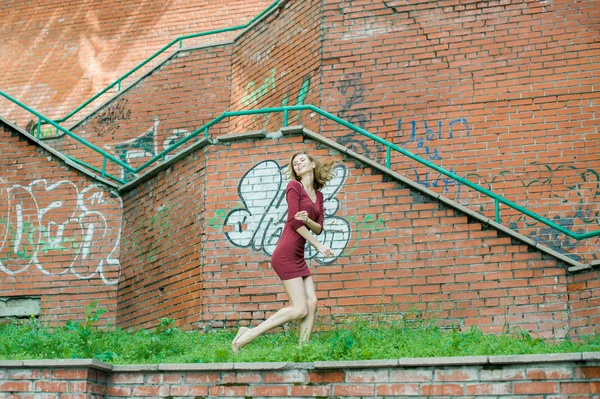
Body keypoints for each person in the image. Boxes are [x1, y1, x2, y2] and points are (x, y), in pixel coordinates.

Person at [232, 151, 336, 353]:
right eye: (295, 163)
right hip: (286, 253)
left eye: (302, 160)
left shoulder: (319, 196)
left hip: (298, 255)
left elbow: (319, 227)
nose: (298, 164)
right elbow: (294, 222)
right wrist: (319, 245)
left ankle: (302, 349)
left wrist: (308, 220)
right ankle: (246, 336)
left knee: (312, 302)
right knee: (299, 309)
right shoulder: (294, 187)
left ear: (313, 164)